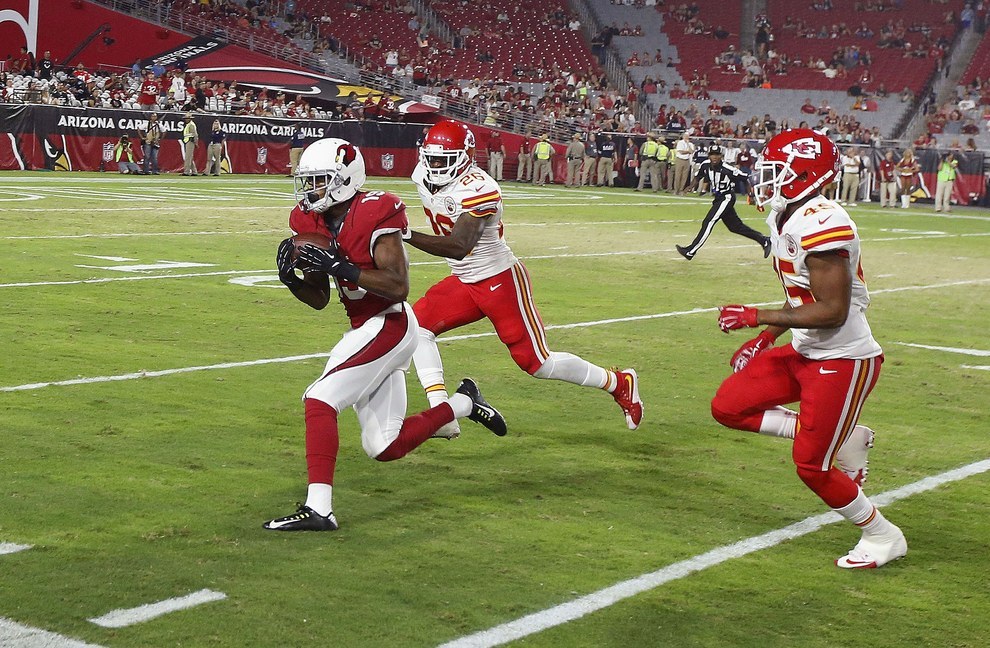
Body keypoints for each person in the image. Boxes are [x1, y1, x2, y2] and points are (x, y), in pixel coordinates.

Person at [264, 138, 507, 531]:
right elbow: (320, 298)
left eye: (320, 181)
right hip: (364, 328)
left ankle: (319, 509)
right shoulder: (308, 220)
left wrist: (340, 266)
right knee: (384, 446)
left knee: (319, 399)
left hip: (391, 322)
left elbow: (397, 287)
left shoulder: (378, 210)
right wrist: (291, 280)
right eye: (307, 182)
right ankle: (464, 403)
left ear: (345, 179)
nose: (310, 191)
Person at [712, 128, 906, 569]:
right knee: (728, 406)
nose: (764, 177)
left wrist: (757, 316)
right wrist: (767, 336)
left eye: (774, 169)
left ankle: (882, 536)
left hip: (843, 358)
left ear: (803, 173)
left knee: (812, 467)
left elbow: (832, 310)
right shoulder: (788, 215)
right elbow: (803, 296)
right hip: (806, 351)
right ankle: (846, 434)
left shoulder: (824, 222)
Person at [404, 120, 643, 439]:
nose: (433, 166)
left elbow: (459, 246)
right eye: (431, 158)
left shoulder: (480, 187)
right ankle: (443, 414)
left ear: (465, 157)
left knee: (538, 364)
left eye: (442, 160)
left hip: (498, 279)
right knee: (415, 328)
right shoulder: (421, 175)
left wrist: (404, 233)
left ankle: (619, 383)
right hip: (463, 280)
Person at [676, 145, 770, 260]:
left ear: (721, 156)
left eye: (717, 155)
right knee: (735, 227)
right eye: (712, 154)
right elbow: (698, 176)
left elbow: (745, 178)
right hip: (718, 198)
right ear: (709, 155)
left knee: (708, 221)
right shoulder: (705, 165)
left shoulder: (727, 169)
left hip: (727, 197)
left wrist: (751, 194)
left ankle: (691, 251)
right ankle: (764, 240)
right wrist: (690, 187)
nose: (714, 157)